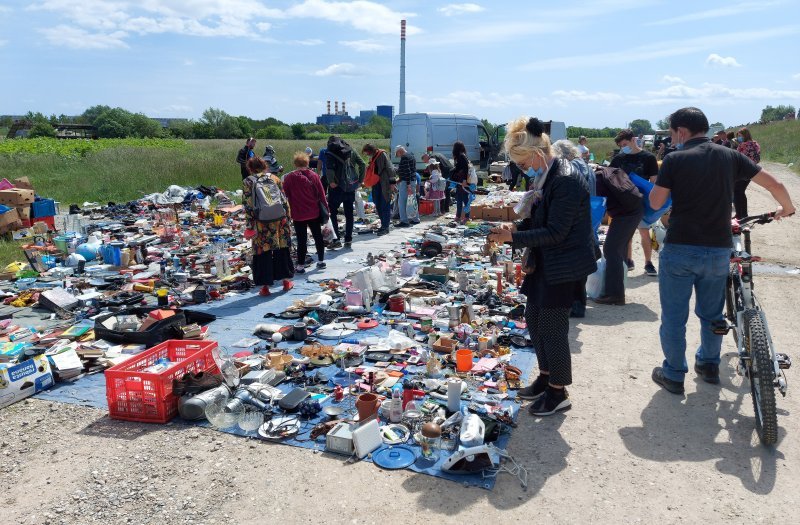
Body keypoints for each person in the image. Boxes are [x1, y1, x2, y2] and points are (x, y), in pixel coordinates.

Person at [649, 107, 795, 394]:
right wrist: (787, 208)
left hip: (680, 247)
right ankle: (709, 364)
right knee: (712, 314)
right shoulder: (730, 155)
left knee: (674, 317)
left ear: (680, 131)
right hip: (717, 249)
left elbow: (656, 203)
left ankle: (675, 374)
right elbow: (774, 184)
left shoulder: (674, 159)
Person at [488, 117, 596, 416]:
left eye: (523, 164)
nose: (523, 170)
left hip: (565, 263)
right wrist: (515, 226)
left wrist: (515, 236)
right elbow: (541, 221)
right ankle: (547, 377)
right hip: (548, 259)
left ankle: (558, 392)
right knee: (534, 319)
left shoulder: (566, 179)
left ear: (536, 154)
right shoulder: (547, 175)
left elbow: (556, 232)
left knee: (553, 328)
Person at [552, 139, 597, 317]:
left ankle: (575, 306)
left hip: (577, 222)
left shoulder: (573, 168)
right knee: (580, 266)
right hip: (587, 218)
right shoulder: (585, 165)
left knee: (574, 268)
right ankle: (578, 303)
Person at [610, 129, 659, 276]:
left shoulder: (648, 158)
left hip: (642, 200)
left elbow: (654, 181)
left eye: (625, 144)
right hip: (624, 200)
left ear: (633, 140)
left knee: (644, 232)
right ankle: (629, 259)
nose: (623, 147)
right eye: (621, 145)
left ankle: (648, 262)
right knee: (627, 234)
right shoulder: (619, 159)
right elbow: (610, 177)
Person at [243, 157, 294, 296]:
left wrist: (249, 225)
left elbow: (248, 205)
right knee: (282, 249)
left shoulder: (248, 181)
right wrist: (287, 218)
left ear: (250, 168)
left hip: (261, 222)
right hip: (279, 220)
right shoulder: (274, 178)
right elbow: (284, 200)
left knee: (262, 252)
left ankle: (265, 287)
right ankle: (285, 282)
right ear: (264, 165)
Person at [281, 152, 329, 273]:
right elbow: (322, 195)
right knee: (318, 236)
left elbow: (284, 195)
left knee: (301, 240)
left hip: (298, 214)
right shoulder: (314, 175)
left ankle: (301, 265)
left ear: (295, 163)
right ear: (307, 162)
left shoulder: (289, 178)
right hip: (314, 212)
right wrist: (327, 210)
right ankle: (321, 261)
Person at [325, 136, 365, 249]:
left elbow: (329, 169)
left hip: (337, 187)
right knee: (349, 214)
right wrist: (360, 181)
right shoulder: (351, 150)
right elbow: (362, 164)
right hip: (350, 186)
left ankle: (336, 239)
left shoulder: (330, 152)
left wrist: (331, 181)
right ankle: (348, 239)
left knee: (332, 212)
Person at [362, 143, 397, 236]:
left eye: (367, 152)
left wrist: (392, 183)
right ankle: (383, 225)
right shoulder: (374, 157)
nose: (366, 154)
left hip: (384, 184)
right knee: (378, 205)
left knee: (384, 205)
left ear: (370, 150)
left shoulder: (382, 154)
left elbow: (390, 168)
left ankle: (385, 227)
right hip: (376, 184)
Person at [734, 127, 761, 219]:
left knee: (737, 192)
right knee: (741, 192)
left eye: (740, 136)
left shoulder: (744, 145)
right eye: (738, 136)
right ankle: (744, 214)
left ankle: (739, 215)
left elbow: (738, 158)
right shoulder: (755, 144)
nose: (739, 138)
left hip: (742, 171)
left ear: (745, 135)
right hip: (752, 170)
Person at [394, 146, 418, 227]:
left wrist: (408, 185)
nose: (398, 156)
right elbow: (412, 170)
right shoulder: (411, 156)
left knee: (402, 202)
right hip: (413, 180)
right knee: (413, 201)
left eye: (397, 154)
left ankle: (404, 221)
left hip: (406, 182)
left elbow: (407, 171)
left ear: (399, 151)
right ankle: (415, 219)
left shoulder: (404, 158)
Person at [451, 141, 471, 224]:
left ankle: (467, 217)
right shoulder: (461, 156)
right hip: (460, 182)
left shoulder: (461, 157)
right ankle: (458, 216)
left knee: (465, 199)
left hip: (463, 182)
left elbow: (465, 169)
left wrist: (464, 181)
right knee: (459, 199)